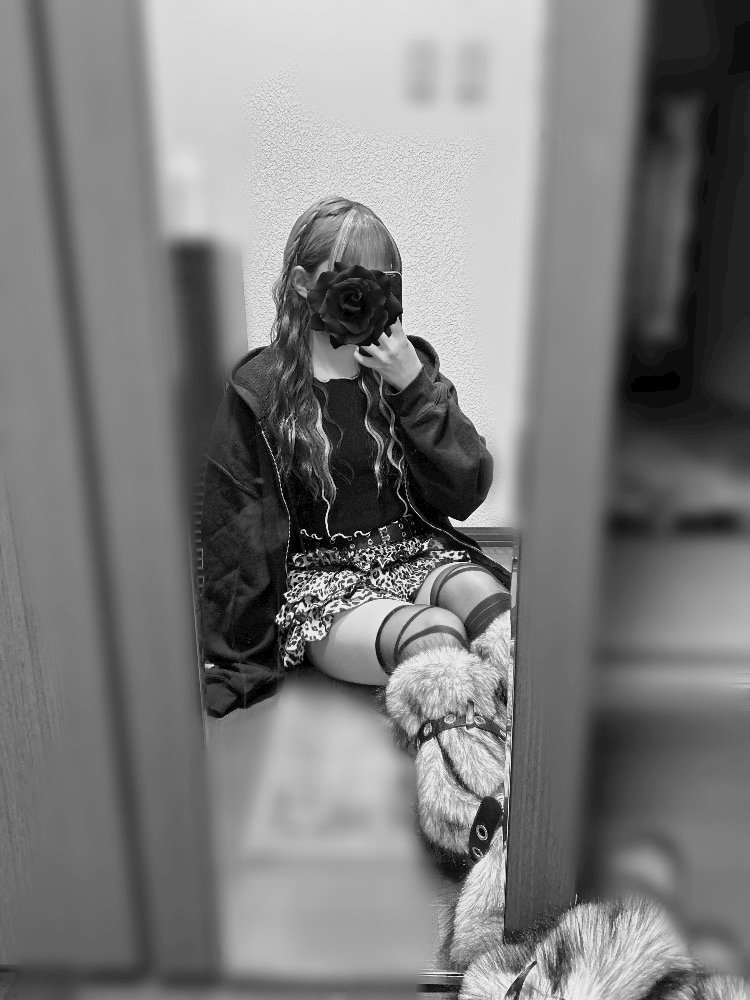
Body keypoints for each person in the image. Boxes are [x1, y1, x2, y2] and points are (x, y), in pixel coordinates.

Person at [200, 195, 511, 725]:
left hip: (413, 554)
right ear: (303, 283)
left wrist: (413, 387)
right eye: (351, 276)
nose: (368, 291)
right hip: (325, 581)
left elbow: (465, 490)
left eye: (382, 278)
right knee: (436, 639)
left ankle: (529, 760)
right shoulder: (263, 390)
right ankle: (462, 779)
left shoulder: (407, 367)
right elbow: (235, 521)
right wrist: (237, 656)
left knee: (495, 612)